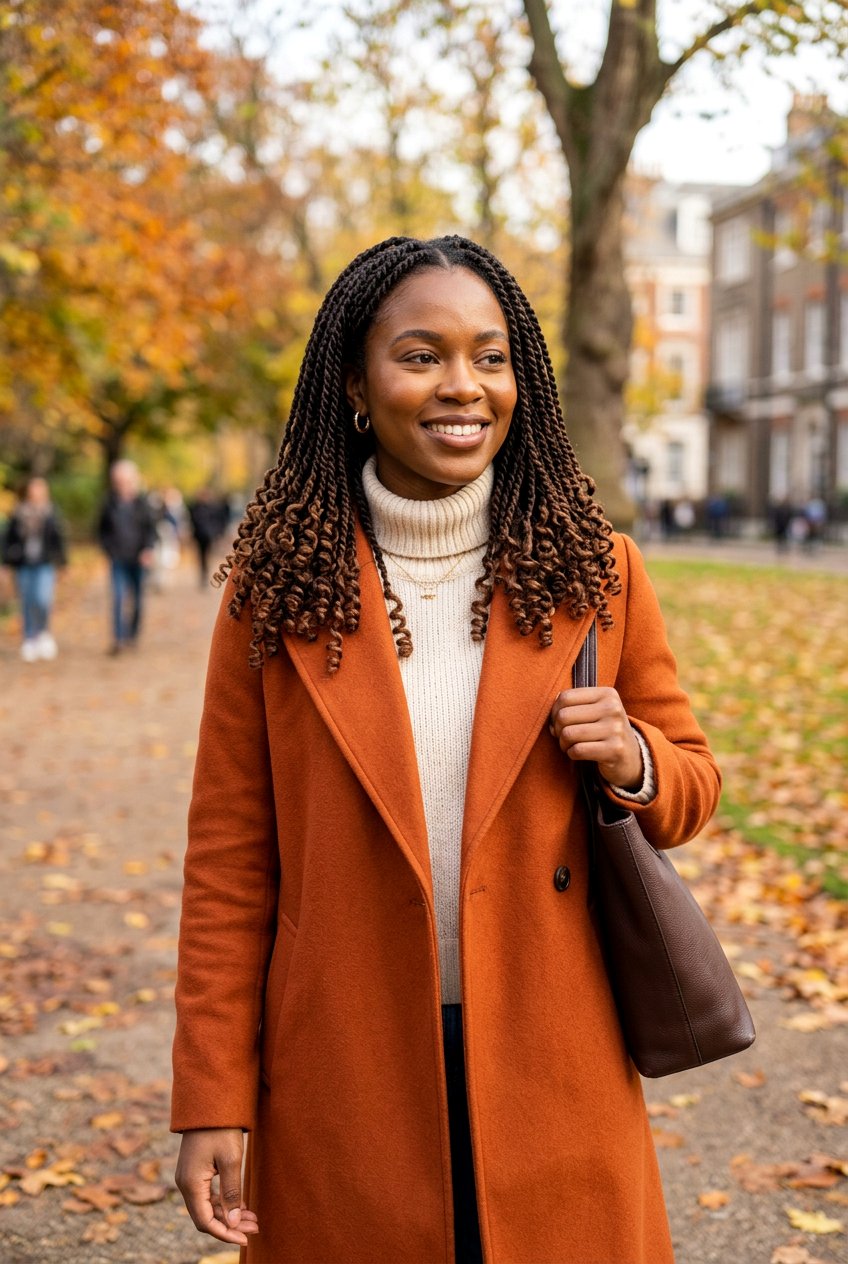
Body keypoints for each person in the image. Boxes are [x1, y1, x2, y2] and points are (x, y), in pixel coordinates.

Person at [171, 236, 721, 1264]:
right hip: (345, 1064)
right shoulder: (274, 591)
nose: (463, 385)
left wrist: (634, 755)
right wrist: (211, 1093)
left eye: (489, 356)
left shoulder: (596, 571)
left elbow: (692, 786)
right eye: (420, 356)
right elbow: (229, 864)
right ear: (354, 382)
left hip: (555, 1053)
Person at [1, 476, 67, 662]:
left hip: (44, 563)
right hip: (23, 563)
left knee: (43, 599)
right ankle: (29, 638)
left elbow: (58, 540)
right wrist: (5, 563)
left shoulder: (51, 513)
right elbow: (8, 539)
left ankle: (44, 632)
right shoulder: (18, 513)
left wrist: (63, 563)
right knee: (27, 601)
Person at [97, 460, 157, 654]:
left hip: (138, 559)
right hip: (118, 558)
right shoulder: (109, 503)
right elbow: (101, 530)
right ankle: (119, 638)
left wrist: (148, 549)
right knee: (118, 597)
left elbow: (151, 529)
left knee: (137, 600)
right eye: (119, 480)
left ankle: (132, 634)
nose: (123, 484)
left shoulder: (143, 503)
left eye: (126, 480)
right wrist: (109, 550)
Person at [187, 487, 228, 587]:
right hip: (199, 536)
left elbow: (218, 521)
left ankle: (205, 573)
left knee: (207, 555)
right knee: (201, 556)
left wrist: (215, 532)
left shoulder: (213, 508)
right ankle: (203, 574)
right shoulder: (195, 507)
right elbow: (192, 521)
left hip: (209, 536)